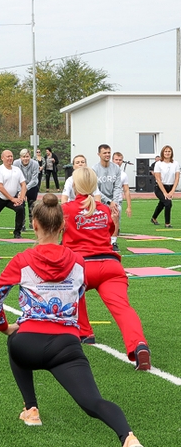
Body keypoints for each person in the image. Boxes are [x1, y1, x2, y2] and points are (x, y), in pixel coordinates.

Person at [0, 193, 146, 447]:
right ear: (63, 227)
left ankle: (31, 409)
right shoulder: (79, 262)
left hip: (27, 344)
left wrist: (4, 326)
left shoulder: (22, 259)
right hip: (67, 347)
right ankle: (128, 438)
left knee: (14, 339)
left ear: (34, 225)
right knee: (93, 402)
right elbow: (79, 292)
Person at [63, 167, 151, 369]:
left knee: (71, 287)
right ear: (94, 185)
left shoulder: (66, 209)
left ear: (75, 185)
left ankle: (85, 332)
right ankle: (139, 344)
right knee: (123, 309)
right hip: (111, 266)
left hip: (82, 266)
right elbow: (111, 232)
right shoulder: (103, 209)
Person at [93, 144, 123, 249]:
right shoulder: (94, 169)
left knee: (116, 211)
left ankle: (113, 242)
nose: (107, 155)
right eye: (105, 153)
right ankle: (99, 241)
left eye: (109, 152)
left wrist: (114, 202)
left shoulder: (116, 168)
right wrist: (109, 202)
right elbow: (95, 189)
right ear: (99, 154)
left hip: (113, 199)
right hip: (98, 199)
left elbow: (118, 187)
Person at [151, 144, 179, 229]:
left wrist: (172, 191)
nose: (167, 153)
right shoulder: (158, 164)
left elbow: (177, 178)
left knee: (162, 203)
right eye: (166, 151)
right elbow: (158, 179)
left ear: (171, 153)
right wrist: (165, 193)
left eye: (169, 151)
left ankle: (154, 218)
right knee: (168, 203)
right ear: (163, 153)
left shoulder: (175, 163)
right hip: (160, 187)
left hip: (170, 187)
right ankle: (167, 223)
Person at [13, 149, 40, 230]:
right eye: (23, 157)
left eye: (27, 156)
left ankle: (33, 223)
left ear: (30, 156)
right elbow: (15, 179)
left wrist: (25, 189)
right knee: (21, 205)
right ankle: (22, 224)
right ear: (20, 157)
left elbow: (34, 180)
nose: (25, 159)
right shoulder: (16, 163)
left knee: (32, 205)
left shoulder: (35, 164)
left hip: (32, 186)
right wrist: (21, 192)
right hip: (20, 186)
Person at [112, 152, 133, 240]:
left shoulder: (123, 175)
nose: (118, 162)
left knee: (116, 221)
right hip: (106, 200)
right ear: (112, 160)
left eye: (120, 160)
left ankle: (113, 241)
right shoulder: (106, 172)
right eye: (116, 160)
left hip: (118, 201)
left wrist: (129, 206)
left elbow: (126, 191)